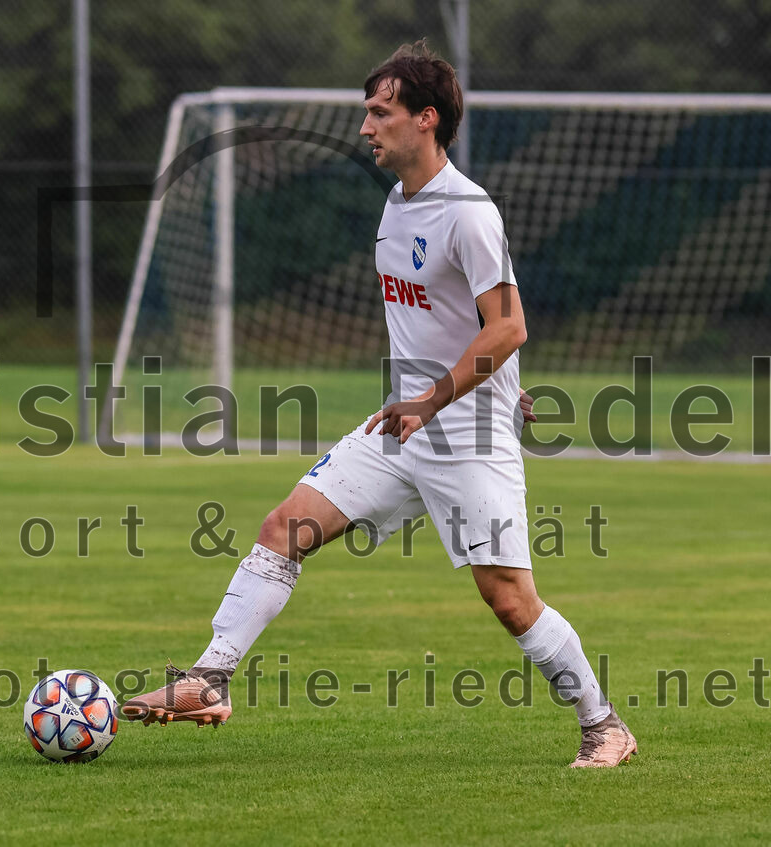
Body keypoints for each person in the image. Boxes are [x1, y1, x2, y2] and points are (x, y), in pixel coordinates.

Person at [123, 40, 636, 768]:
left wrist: (453, 395)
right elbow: (455, 320)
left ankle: (604, 724)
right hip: (403, 423)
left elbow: (509, 326)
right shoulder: (396, 205)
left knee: (509, 598)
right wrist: (461, 390)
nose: (366, 126)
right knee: (284, 526)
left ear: (426, 119)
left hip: (467, 433)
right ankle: (209, 678)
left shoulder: (468, 212)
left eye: (380, 112)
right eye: (367, 112)